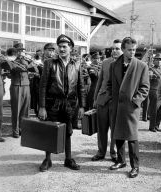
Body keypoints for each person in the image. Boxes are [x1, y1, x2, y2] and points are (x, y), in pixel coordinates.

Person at [38, 34, 86, 172]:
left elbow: (80, 86)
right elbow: (43, 86)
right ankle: (47, 159)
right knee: (49, 131)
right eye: (59, 47)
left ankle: (68, 159)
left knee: (68, 132)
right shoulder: (49, 63)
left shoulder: (77, 64)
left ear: (71, 48)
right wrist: (42, 107)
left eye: (64, 47)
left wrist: (82, 106)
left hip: (70, 104)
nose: (61, 49)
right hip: (52, 103)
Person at [107, 37, 150, 178]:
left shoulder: (141, 66)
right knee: (117, 134)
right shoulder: (114, 65)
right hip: (117, 106)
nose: (132, 52)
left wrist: (135, 102)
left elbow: (145, 88)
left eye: (134, 50)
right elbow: (109, 84)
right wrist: (111, 99)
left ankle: (135, 166)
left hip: (131, 107)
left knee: (132, 138)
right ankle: (121, 160)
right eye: (129, 50)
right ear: (123, 49)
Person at [91, 39, 123, 162]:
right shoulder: (105, 62)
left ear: (123, 50)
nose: (114, 51)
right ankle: (101, 152)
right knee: (101, 128)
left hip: (116, 102)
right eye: (113, 48)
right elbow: (100, 81)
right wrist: (95, 98)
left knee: (115, 129)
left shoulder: (126, 64)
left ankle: (113, 152)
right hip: (103, 100)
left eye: (117, 49)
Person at [10, 43, 33, 138]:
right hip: (16, 85)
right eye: (18, 50)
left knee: (25, 109)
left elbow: (35, 69)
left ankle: (22, 129)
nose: (21, 52)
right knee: (16, 109)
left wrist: (31, 62)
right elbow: (15, 69)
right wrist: (25, 63)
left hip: (26, 85)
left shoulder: (26, 60)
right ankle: (15, 132)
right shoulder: (11, 60)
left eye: (21, 50)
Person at [148, 53, 161, 132]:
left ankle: (157, 125)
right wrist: (157, 76)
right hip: (154, 90)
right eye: (157, 59)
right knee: (154, 109)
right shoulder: (151, 69)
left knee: (160, 110)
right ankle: (152, 126)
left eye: (160, 60)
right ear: (154, 61)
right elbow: (149, 76)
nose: (158, 61)